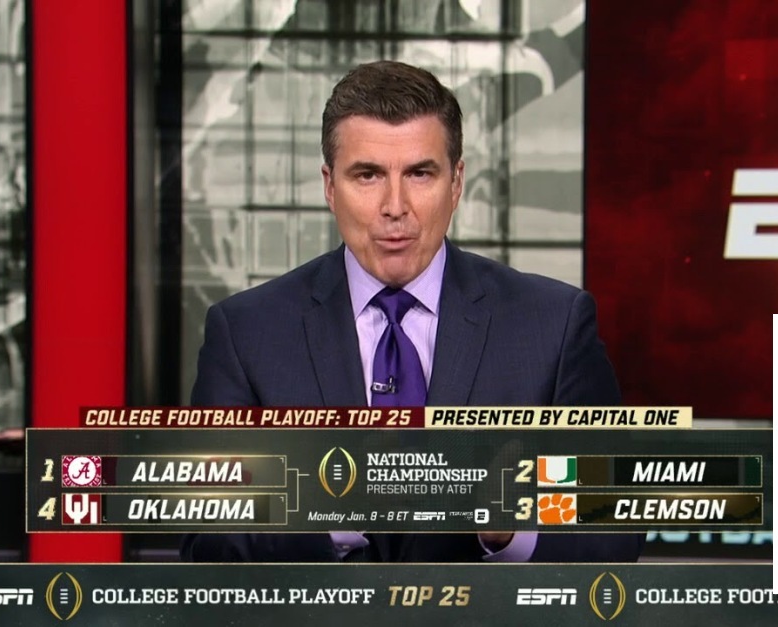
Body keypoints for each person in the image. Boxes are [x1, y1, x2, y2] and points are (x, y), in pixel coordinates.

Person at [181, 60, 642, 563]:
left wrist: (511, 529)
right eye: (368, 175)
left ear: (457, 182)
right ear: (330, 186)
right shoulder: (247, 333)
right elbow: (208, 545)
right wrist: (329, 512)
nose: (395, 206)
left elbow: (612, 533)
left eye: (420, 173)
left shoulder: (552, 326)